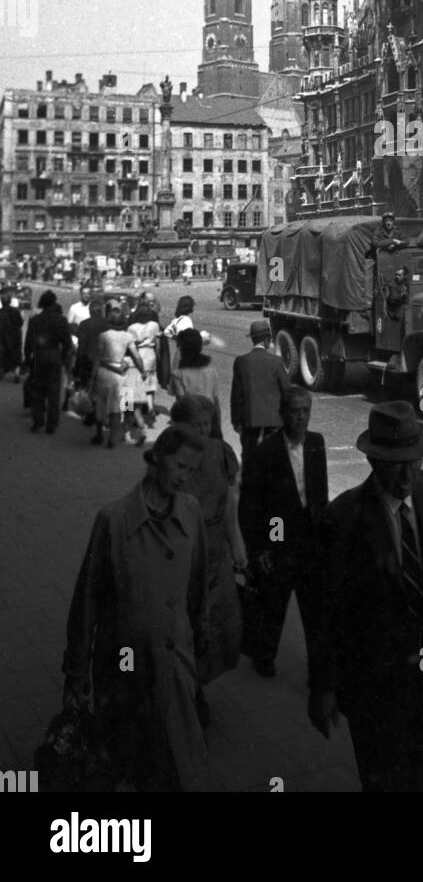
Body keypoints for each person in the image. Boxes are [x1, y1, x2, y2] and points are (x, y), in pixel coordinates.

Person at [311, 401, 423, 792]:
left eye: (414, 461)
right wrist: (323, 686)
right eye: (395, 464)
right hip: (378, 685)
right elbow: (326, 611)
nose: (407, 474)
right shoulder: (344, 517)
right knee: (385, 780)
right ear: (373, 461)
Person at [61, 425, 211, 791]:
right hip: (125, 667)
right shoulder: (113, 520)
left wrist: (198, 638)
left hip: (175, 664)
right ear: (157, 457)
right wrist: (76, 671)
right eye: (179, 467)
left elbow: (199, 585)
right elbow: (87, 601)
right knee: (128, 762)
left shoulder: (191, 512)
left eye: (192, 471)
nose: (185, 478)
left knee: (179, 765)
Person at [238, 389, 327, 679]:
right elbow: (251, 503)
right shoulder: (267, 450)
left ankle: (319, 667)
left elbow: (320, 493)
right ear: (282, 413)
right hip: (279, 534)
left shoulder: (316, 444)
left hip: (310, 536)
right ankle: (265, 655)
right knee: (274, 600)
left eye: (305, 411)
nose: (300, 417)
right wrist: (260, 548)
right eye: (294, 411)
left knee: (314, 608)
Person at [170, 397, 246, 700]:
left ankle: (197, 683)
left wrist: (237, 541)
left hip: (217, 551)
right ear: (180, 427)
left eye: (207, 424)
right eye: (196, 425)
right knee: (187, 627)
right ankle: (188, 692)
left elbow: (229, 502)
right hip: (185, 553)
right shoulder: (171, 458)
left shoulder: (220, 453)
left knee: (223, 627)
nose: (203, 430)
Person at [230, 320, 292, 464]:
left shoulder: (241, 362)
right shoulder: (276, 362)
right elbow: (287, 392)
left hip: (249, 420)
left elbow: (236, 396)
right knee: (274, 457)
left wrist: (235, 420)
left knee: (250, 457)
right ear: (267, 340)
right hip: (274, 420)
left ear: (252, 339)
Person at [91, 301, 146, 449]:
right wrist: (142, 371)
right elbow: (136, 356)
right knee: (116, 409)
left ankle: (99, 434)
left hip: (104, 372)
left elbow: (98, 357)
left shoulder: (103, 336)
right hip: (119, 375)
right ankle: (112, 439)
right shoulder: (128, 337)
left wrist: (93, 375)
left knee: (101, 405)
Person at [23, 290, 74, 434]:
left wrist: (28, 358)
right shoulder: (61, 320)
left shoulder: (35, 320)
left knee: (37, 390)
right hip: (54, 356)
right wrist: (63, 358)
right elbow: (67, 344)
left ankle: (38, 420)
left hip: (39, 357)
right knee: (53, 392)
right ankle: (51, 424)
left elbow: (28, 343)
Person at [170, 328, 222, 434]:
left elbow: (182, 403)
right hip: (210, 421)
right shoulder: (211, 371)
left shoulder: (178, 374)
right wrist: (218, 428)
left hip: (192, 423)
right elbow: (216, 402)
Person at [127, 298, 161, 432]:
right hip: (151, 355)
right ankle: (151, 407)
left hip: (139, 356)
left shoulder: (132, 328)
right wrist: (157, 357)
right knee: (150, 385)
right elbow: (158, 344)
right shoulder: (154, 325)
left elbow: (131, 346)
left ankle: (135, 414)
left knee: (138, 385)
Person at [0, 287, 24, 377]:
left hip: (3, 336)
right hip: (15, 335)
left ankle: (2, 370)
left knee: (3, 354)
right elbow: (21, 322)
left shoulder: (1, 312)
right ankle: (16, 373)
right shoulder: (15, 311)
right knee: (16, 355)